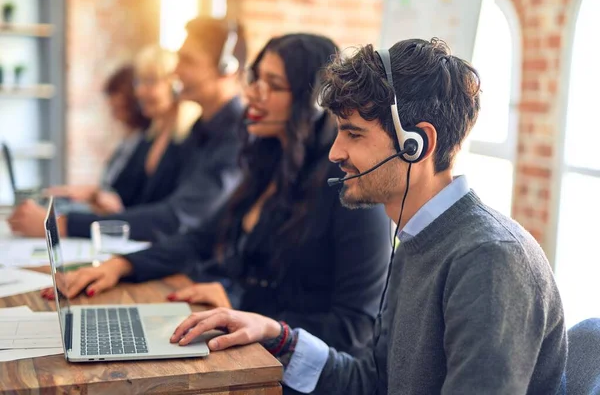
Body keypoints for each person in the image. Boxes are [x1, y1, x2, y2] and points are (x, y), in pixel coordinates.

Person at [166, 38, 568, 394]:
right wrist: (278, 336)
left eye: (354, 134)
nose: (334, 153)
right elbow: (373, 383)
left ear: (417, 144)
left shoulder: (490, 259)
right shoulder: (417, 241)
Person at [50, 34, 391, 360]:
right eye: (256, 79)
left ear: (313, 102)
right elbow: (200, 238)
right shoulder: (268, 165)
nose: (253, 93)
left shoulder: (350, 189)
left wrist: (246, 306)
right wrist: (124, 265)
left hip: (299, 372)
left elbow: (354, 329)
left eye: (273, 86)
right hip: (249, 350)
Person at [8, 17, 246, 242]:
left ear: (227, 68)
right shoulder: (201, 128)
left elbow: (176, 219)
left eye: (189, 61)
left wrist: (61, 225)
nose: (177, 71)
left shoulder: (238, 135)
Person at [87, 45, 202, 215]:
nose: (139, 92)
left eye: (150, 81)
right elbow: (127, 198)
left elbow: (175, 213)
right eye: (138, 82)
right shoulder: (149, 138)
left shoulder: (192, 140)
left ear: (176, 84)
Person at [44, 65, 151, 209]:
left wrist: (93, 195)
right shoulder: (128, 141)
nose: (111, 102)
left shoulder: (148, 143)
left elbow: (125, 201)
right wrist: (85, 193)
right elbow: (109, 189)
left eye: (116, 94)